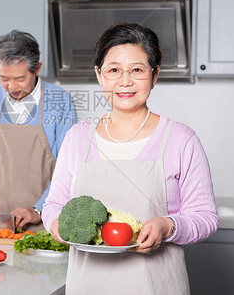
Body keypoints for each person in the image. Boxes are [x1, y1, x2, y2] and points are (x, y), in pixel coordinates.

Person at [42, 23, 218, 293]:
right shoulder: (77, 137)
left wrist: (168, 225)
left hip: (155, 284)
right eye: (113, 70)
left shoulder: (181, 139)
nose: (125, 81)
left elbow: (205, 217)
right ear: (100, 76)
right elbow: (54, 204)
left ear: (154, 74)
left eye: (137, 70)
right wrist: (57, 224)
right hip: (88, 284)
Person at [0, 30, 77, 231]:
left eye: (20, 78)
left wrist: (38, 210)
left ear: (37, 69)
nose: (12, 86)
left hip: (46, 227)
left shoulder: (60, 101)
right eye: (4, 78)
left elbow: (69, 167)